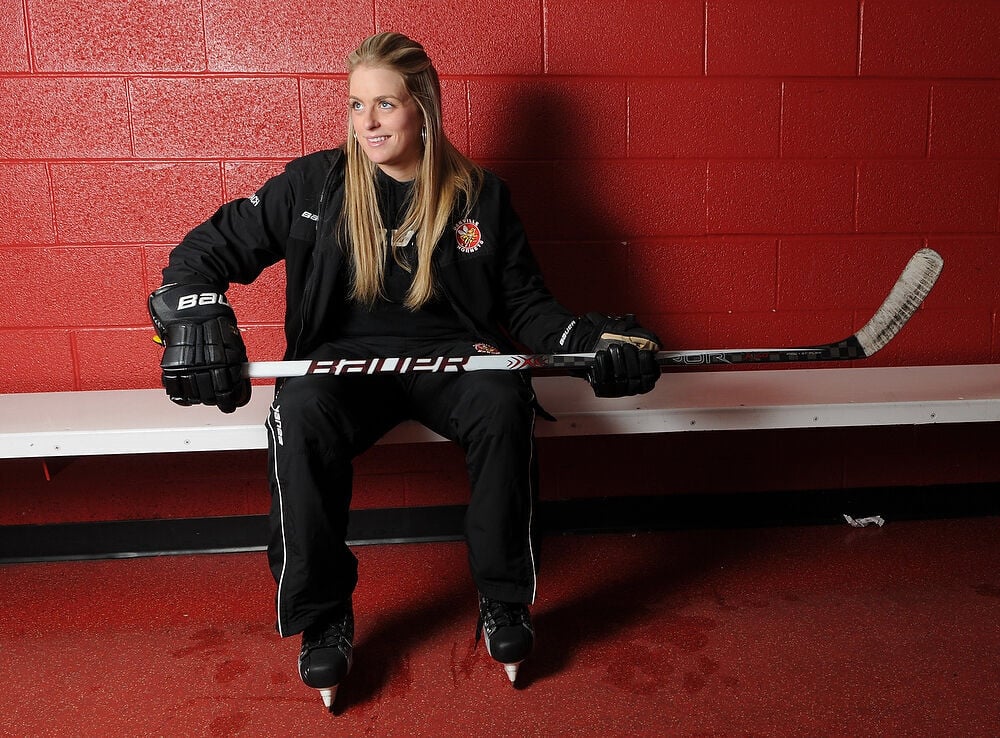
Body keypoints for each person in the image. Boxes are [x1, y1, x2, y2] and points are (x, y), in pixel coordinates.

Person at [148, 31, 661, 709]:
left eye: (384, 104)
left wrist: (590, 342)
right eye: (357, 105)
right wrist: (192, 307)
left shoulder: (481, 197)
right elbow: (202, 255)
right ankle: (324, 615)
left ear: (422, 107)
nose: (367, 121)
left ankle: (504, 600)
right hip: (341, 367)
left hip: (455, 361)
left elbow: (531, 309)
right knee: (297, 413)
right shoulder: (311, 186)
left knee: (501, 401)